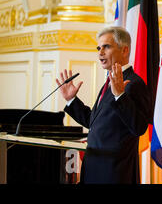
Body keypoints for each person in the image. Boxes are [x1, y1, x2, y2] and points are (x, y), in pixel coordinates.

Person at [56, 26, 152, 184]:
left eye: (106, 47)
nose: (100, 52)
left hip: (114, 173)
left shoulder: (133, 83)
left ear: (124, 50)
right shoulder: (110, 82)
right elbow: (95, 122)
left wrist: (120, 96)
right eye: (98, 48)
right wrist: (72, 101)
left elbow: (139, 127)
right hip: (93, 168)